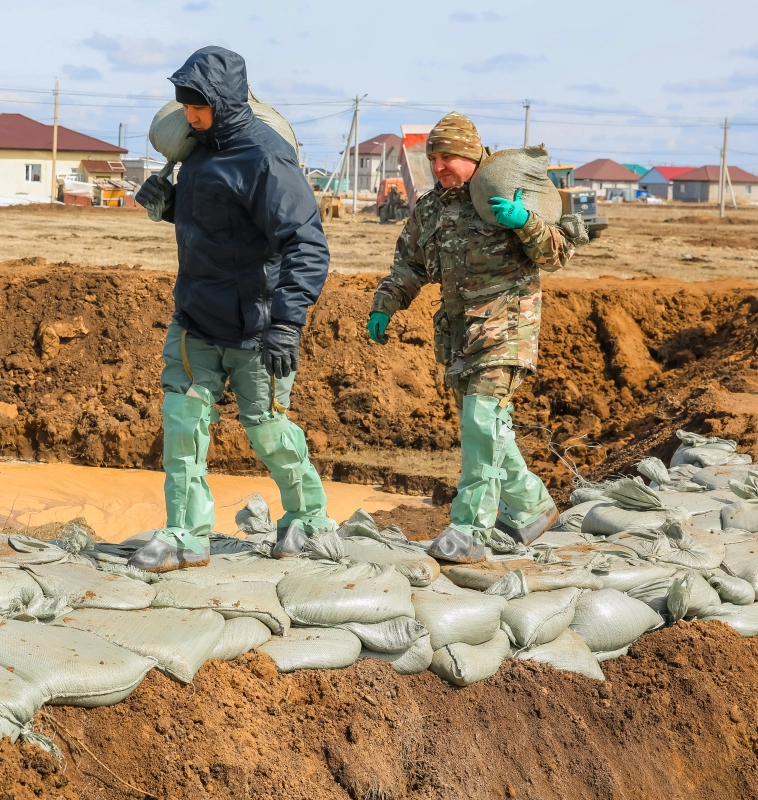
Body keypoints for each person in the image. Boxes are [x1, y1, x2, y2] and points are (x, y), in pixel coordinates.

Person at [130, 45, 335, 573]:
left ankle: (306, 516)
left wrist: (288, 323)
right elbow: (214, 223)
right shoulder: (195, 152)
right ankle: (185, 534)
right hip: (197, 316)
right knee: (182, 423)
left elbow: (306, 244)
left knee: (267, 431)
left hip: (257, 325)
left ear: (222, 100)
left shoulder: (265, 158)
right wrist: (166, 204)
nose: (189, 117)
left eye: (197, 106)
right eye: (184, 107)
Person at [366, 111, 588, 564]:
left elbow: (556, 254)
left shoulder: (503, 191)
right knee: (490, 429)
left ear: (471, 156)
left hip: (507, 327)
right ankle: (532, 508)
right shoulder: (430, 207)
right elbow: (409, 266)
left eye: (448, 157)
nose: (440, 166)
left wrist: (524, 220)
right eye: (433, 158)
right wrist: (384, 304)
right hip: (457, 334)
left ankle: (469, 530)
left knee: (481, 422)